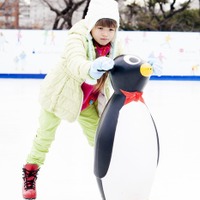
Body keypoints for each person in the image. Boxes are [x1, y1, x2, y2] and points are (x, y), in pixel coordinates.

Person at [22, 0, 124, 199]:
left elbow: (124, 63)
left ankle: (112, 176)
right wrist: (90, 68)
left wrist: (144, 68)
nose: (105, 34)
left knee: (101, 140)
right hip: (60, 96)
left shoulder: (114, 45)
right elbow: (75, 60)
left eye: (111, 29)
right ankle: (30, 172)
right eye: (100, 27)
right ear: (90, 24)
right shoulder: (76, 38)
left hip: (89, 102)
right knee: (44, 136)